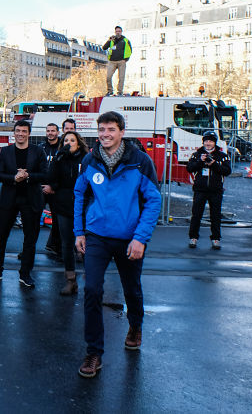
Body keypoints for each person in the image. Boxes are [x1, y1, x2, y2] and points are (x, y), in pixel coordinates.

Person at [73, 111, 161, 378]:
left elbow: (153, 201)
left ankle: (135, 326)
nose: (105, 134)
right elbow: (79, 194)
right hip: (97, 236)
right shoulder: (90, 159)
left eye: (110, 129)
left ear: (122, 131)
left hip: (129, 238)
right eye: (101, 129)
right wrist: (79, 232)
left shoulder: (139, 161)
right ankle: (94, 352)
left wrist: (140, 238)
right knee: (91, 290)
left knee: (131, 289)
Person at [0, 120, 47, 288]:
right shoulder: (6, 151)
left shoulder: (38, 151)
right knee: (1, 236)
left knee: (30, 239)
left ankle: (25, 273)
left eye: (24, 131)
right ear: (13, 133)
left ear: (29, 133)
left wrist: (28, 176)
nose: (21, 134)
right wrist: (14, 178)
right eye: (18, 131)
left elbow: (45, 174)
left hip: (31, 199)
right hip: (10, 198)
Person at [48, 131, 88, 295]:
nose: (69, 143)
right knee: (67, 243)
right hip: (64, 205)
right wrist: (58, 158)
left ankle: (92, 279)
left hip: (83, 206)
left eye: (72, 140)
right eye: (66, 140)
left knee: (87, 244)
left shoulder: (86, 158)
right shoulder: (60, 158)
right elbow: (51, 179)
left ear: (78, 143)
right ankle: (71, 280)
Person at [186, 130, 231, 250]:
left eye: (210, 141)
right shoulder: (196, 154)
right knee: (196, 214)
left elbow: (227, 171)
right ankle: (193, 237)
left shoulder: (222, 156)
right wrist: (200, 161)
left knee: (215, 215)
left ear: (215, 143)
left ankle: (216, 239)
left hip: (216, 190)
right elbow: (189, 168)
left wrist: (214, 164)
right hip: (200, 189)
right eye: (206, 141)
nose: (208, 143)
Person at [40, 123, 62, 261]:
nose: (50, 133)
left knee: (58, 221)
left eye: (53, 131)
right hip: (41, 188)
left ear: (58, 132)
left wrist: (53, 186)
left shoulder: (62, 148)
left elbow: (64, 171)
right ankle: (27, 250)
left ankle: (57, 249)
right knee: (33, 219)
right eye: (48, 131)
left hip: (55, 190)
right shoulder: (41, 148)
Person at [102, 25, 132, 96]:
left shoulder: (125, 40)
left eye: (119, 31)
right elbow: (104, 48)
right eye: (116, 31)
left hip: (121, 61)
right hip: (112, 61)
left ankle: (120, 92)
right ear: (115, 32)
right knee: (108, 77)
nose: (118, 33)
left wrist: (126, 59)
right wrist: (109, 40)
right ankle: (110, 91)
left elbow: (130, 50)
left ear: (121, 32)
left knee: (121, 77)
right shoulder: (112, 40)